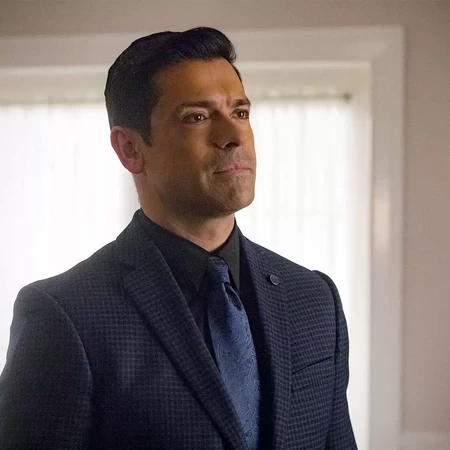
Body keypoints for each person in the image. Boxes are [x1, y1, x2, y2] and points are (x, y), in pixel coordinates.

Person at [0, 27, 357, 449]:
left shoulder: (314, 300)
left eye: (240, 112)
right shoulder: (65, 316)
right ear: (130, 148)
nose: (233, 135)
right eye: (197, 117)